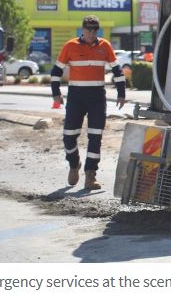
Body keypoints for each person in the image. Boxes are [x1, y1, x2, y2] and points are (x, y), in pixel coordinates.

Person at [50, 15, 126, 189]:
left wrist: (121, 93)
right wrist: (56, 93)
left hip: (97, 97)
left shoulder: (104, 45)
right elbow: (56, 71)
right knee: (69, 136)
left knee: (95, 137)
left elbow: (117, 70)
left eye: (95, 30)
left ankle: (90, 175)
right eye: (88, 30)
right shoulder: (70, 46)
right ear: (82, 29)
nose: (91, 33)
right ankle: (74, 164)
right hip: (76, 97)